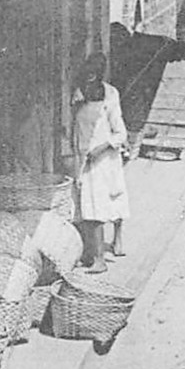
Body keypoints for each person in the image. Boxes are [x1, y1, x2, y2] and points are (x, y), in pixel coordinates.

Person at [72, 53, 128, 271]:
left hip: (104, 160)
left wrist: (102, 147)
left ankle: (100, 259)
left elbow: (120, 133)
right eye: (87, 75)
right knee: (85, 208)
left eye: (94, 76)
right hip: (83, 158)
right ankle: (90, 253)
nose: (89, 79)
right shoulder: (77, 94)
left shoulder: (110, 95)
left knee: (99, 207)